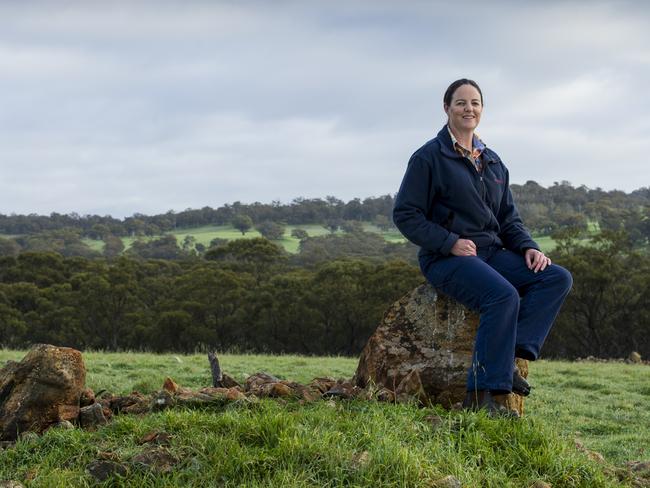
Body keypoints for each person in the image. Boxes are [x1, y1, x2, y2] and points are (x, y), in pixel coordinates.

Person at [392, 78, 573, 417]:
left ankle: (507, 359)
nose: (468, 109)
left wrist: (529, 248)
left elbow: (509, 218)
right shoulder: (429, 157)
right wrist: (449, 242)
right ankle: (479, 399)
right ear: (447, 108)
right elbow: (405, 214)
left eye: (475, 103)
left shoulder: (492, 161)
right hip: (446, 258)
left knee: (556, 278)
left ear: (482, 110)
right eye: (461, 103)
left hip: (491, 253)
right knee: (502, 297)